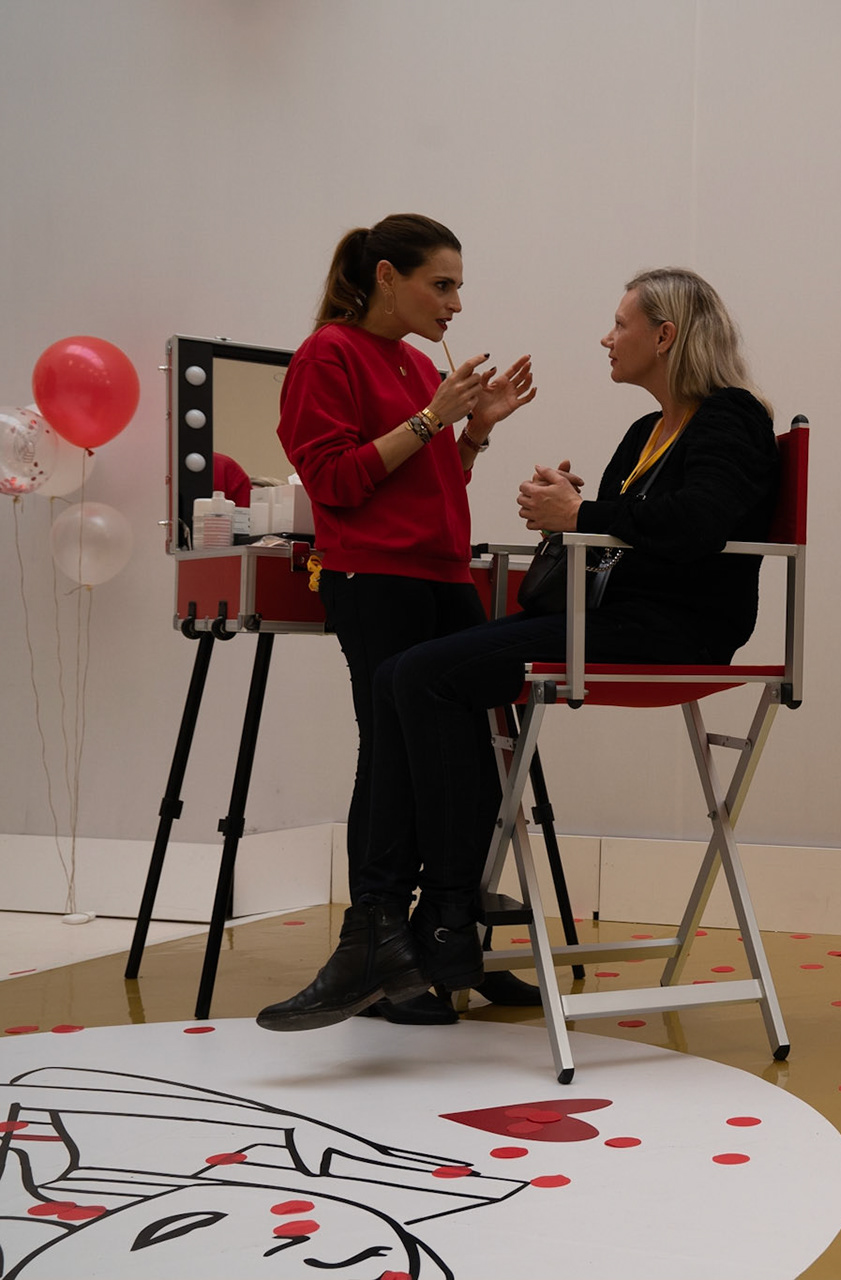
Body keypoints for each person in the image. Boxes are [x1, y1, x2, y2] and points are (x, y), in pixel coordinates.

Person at [258, 267, 779, 1033]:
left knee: (421, 676)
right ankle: (434, 926)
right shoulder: (646, 433)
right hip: (613, 620)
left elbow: (698, 525)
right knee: (407, 675)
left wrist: (580, 514)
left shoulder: (731, 416)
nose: (607, 338)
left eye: (621, 323)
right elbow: (620, 534)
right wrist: (570, 512)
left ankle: (437, 921)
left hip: (671, 633)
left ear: (665, 336)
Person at [277, 213, 538, 1024]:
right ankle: (381, 948)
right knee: (394, 752)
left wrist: (475, 432)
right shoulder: (328, 354)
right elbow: (334, 481)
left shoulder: (417, 364)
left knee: (464, 757)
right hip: (376, 578)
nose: (455, 303)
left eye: (458, 286)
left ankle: (441, 936)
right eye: (442, 284)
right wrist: (430, 418)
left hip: (442, 574)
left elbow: (433, 483)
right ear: (387, 277)